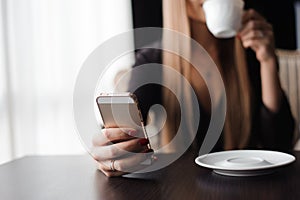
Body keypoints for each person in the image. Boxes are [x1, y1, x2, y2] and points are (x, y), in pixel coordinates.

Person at [92, 0, 295, 177]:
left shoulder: (250, 52)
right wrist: (112, 149)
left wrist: (268, 61)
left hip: (249, 186)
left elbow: (279, 143)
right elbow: (123, 131)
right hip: (182, 188)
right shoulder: (155, 60)